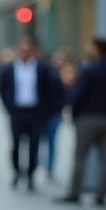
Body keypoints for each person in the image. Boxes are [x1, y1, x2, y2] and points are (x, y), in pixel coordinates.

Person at [57, 36, 106, 206]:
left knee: (80, 157)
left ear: (96, 49)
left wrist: (73, 112)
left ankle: (75, 192)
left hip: (88, 118)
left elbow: (79, 94)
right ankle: (102, 194)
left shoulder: (89, 70)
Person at [0, 36, 58, 191]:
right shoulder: (9, 69)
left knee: (34, 145)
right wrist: (8, 106)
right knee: (16, 144)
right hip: (17, 112)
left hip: (35, 112)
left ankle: (31, 174)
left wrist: (47, 111)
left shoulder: (41, 68)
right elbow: (3, 89)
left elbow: (49, 90)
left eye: (27, 49)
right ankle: (17, 172)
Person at [40, 51, 69, 182]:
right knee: (41, 140)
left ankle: (49, 167)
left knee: (51, 141)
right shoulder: (45, 73)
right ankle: (41, 163)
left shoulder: (65, 76)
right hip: (43, 114)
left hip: (55, 114)